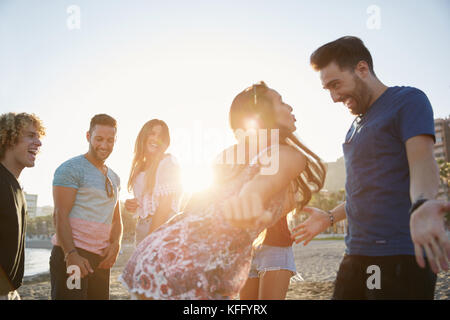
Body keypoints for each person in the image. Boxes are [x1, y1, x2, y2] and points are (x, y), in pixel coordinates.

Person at [120, 81, 326, 299]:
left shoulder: (233, 154)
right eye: (281, 102)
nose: (290, 108)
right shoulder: (288, 155)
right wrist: (250, 195)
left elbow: (202, 202)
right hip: (193, 261)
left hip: (167, 250)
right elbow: (263, 181)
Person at [291, 36, 445, 299]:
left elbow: (422, 162)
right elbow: (365, 192)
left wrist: (423, 203)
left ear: (362, 69)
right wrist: (330, 217)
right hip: (354, 255)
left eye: (336, 84)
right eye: (327, 89)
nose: (334, 97)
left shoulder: (408, 100)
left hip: (400, 256)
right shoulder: (354, 126)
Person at [50, 114, 122, 300]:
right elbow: (60, 215)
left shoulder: (114, 178)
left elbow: (116, 218)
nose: (104, 145)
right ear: (88, 136)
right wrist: (71, 255)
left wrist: (116, 244)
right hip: (73, 256)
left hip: (100, 261)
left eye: (110, 140)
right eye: (99, 139)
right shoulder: (71, 169)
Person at [0, 112, 45, 300]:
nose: (39, 143)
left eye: (38, 136)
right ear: (9, 138)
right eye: (30, 135)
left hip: (10, 291)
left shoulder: (17, 187)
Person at [124, 119, 182, 246]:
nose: (156, 139)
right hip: (142, 229)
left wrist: (150, 241)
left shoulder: (167, 162)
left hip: (162, 229)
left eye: (160, 136)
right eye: (152, 133)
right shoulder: (140, 167)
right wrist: (132, 205)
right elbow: (147, 203)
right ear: (144, 136)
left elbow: (164, 206)